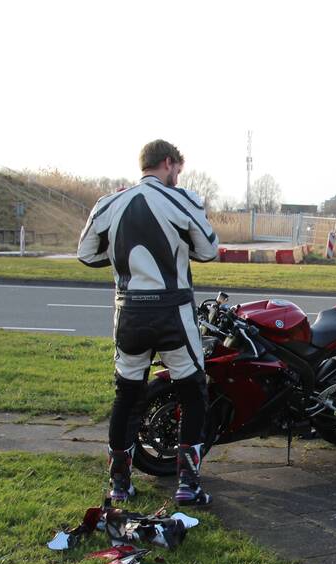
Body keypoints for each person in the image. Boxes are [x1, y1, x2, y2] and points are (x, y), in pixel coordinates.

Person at [77, 139, 220, 505]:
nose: (177, 176)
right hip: (172, 310)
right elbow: (208, 250)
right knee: (193, 392)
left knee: (126, 395)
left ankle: (119, 484)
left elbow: (86, 253)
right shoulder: (181, 200)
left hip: (128, 313)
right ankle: (188, 484)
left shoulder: (109, 203)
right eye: (177, 170)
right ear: (169, 163)